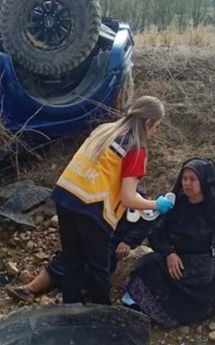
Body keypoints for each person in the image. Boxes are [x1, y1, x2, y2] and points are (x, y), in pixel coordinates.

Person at [51, 96, 174, 305]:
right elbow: (128, 198)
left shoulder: (104, 130)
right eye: (156, 126)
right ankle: (103, 316)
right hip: (92, 207)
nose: (155, 131)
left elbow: (104, 174)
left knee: (72, 261)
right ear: (148, 123)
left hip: (66, 194)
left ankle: (70, 311)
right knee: (99, 267)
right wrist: (157, 205)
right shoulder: (136, 148)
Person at [124, 158, 215, 328]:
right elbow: (156, 234)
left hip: (212, 270)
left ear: (205, 181)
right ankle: (158, 308)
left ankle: (175, 309)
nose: (187, 183)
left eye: (192, 179)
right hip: (179, 269)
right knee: (148, 263)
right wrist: (169, 253)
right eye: (184, 178)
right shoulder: (175, 204)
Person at [5, 192, 157, 303]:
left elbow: (147, 222)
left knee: (98, 264)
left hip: (114, 242)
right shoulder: (102, 191)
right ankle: (29, 289)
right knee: (68, 256)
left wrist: (128, 241)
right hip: (95, 233)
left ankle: (74, 296)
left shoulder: (138, 198)